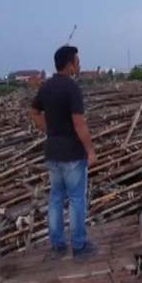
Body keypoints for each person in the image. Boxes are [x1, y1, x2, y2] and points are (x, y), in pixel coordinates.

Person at [29, 45, 98, 260]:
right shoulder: (71, 88)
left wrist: (48, 129)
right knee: (77, 199)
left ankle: (57, 244)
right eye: (77, 61)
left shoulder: (47, 87)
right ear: (69, 64)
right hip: (72, 154)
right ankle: (78, 246)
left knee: (56, 198)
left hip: (53, 152)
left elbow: (33, 111)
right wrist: (90, 150)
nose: (79, 64)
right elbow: (79, 123)